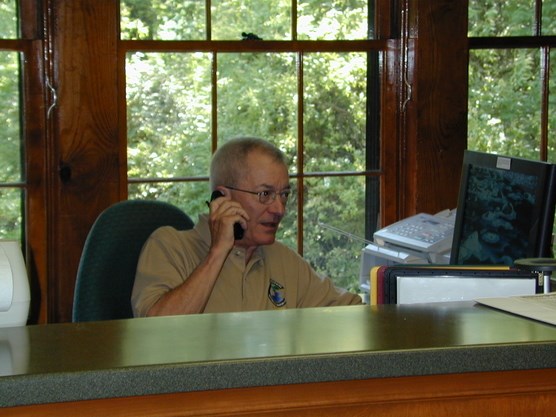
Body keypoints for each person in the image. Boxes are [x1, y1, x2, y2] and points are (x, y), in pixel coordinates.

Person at [131, 137, 362, 317]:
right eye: (265, 194)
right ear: (222, 197)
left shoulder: (282, 259)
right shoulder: (170, 246)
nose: (279, 209)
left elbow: (353, 313)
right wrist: (217, 252)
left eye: (284, 195)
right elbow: (157, 331)